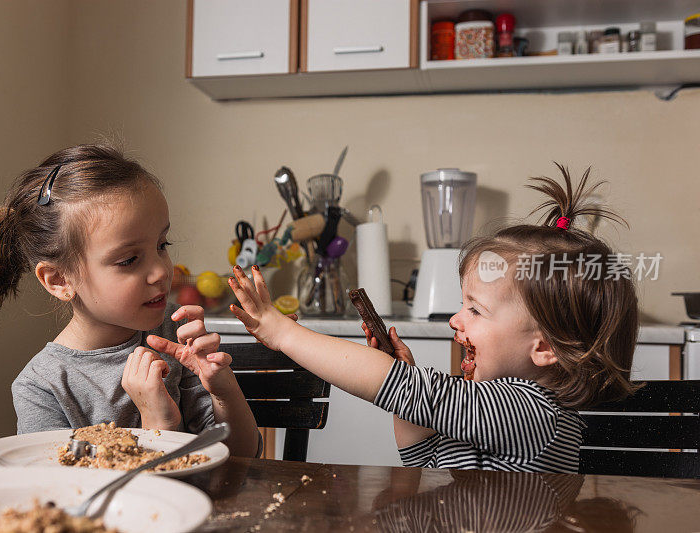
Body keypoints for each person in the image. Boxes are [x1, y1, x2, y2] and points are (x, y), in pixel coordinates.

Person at [227, 164, 638, 472]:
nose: (455, 321)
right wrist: (404, 381)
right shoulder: (494, 409)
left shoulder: (532, 412)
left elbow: (394, 387)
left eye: (475, 309)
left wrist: (284, 332)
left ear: (544, 347)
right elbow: (422, 457)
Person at [0, 144, 260, 457]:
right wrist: (156, 425)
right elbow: (63, 494)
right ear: (59, 280)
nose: (160, 271)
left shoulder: (174, 333)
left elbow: (244, 455)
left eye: (162, 244)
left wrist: (222, 389)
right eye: (129, 260)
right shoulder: (43, 386)